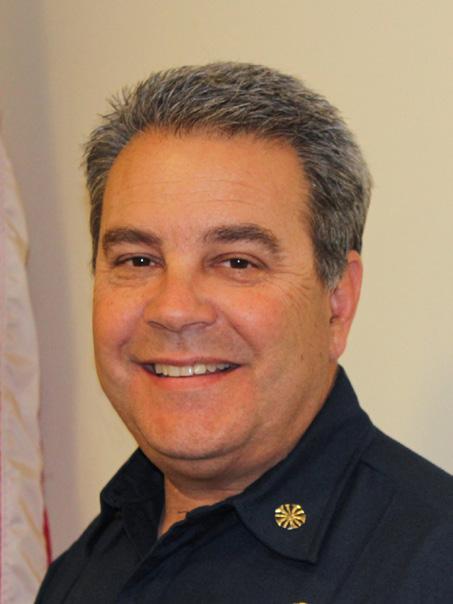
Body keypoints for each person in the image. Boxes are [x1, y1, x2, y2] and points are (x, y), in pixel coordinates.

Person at [36, 62, 453, 603]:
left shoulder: (434, 568)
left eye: (237, 262)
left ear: (337, 302)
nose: (174, 310)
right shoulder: (80, 571)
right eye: (138, 260)